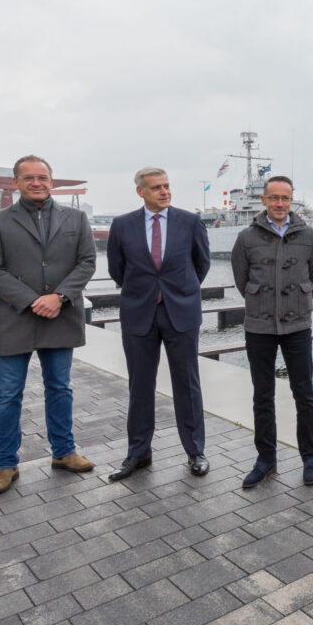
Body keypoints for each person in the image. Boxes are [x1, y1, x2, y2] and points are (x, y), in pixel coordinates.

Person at [0, 155, 97, 495]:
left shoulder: (76, 218)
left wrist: (59, 297)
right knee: (7, 395)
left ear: (51, 180)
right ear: (15, 182)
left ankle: (64, 452)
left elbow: (87, 262)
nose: (36, 182)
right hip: (16, 318)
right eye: (28, 177)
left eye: (42, 177)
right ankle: (5, 464)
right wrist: (33, 300)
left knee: (60, 388)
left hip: (61, 316)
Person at [106, 166, 211, 481]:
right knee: (140, 386)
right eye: (156, 188)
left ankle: (195, 451)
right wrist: (147, 292)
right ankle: (138, 453)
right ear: (141, 191)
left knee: (187, 384)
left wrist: (178, 292)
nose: (164, 192)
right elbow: (117, 269)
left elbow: (200, 264)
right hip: (139, 313)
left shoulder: (190, 222)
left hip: (181, 312)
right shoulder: (122, 225)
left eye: (166, 186)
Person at [231, 175, 313, 488]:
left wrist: (297, 301)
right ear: (264, 201)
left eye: (285, 198)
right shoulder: (246, 238)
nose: (280, 204)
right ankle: (266, 459)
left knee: (305, 393)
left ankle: (310, 456)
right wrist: (263, 304)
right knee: (263, 395)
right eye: (274, 198)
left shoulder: (310, 236)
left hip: (297, 325)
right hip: (259, 327)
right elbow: (241, 279)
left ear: (292, 200)